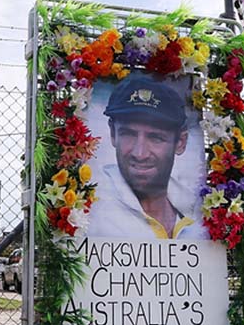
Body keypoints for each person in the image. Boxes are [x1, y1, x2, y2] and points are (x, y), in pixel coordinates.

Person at [87, 75, 207, 240]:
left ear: (180, 142)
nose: (140, 153)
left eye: (155, 138)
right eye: (128, 134)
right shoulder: (88, 215)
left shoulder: (202, 212)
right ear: (113, 133)